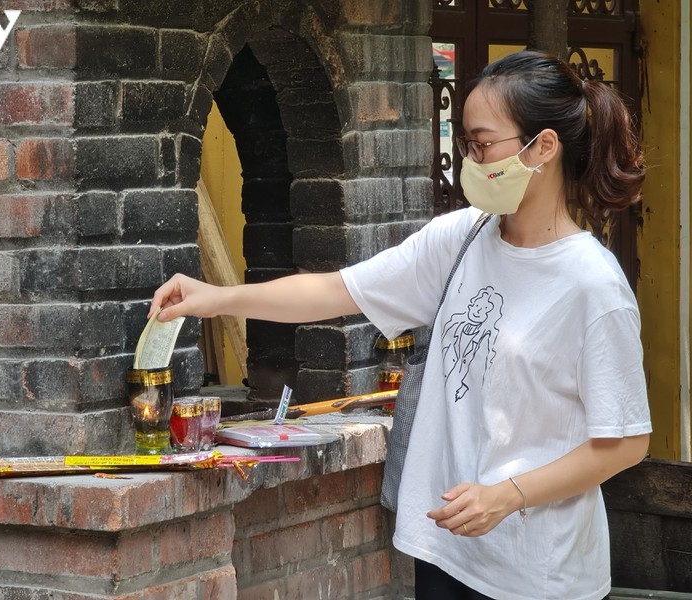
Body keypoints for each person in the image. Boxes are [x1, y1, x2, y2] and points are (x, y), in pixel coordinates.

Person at [149, 50, 651, 600]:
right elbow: (335, 290)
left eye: (484, 145)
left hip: (538, 571)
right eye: (468, 144)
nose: (472, 160)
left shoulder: (592, 286)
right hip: (447, 549)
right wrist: (216, 297)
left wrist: (508, 494)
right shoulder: (462, 237)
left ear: (544, 147)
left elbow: (624, 443)